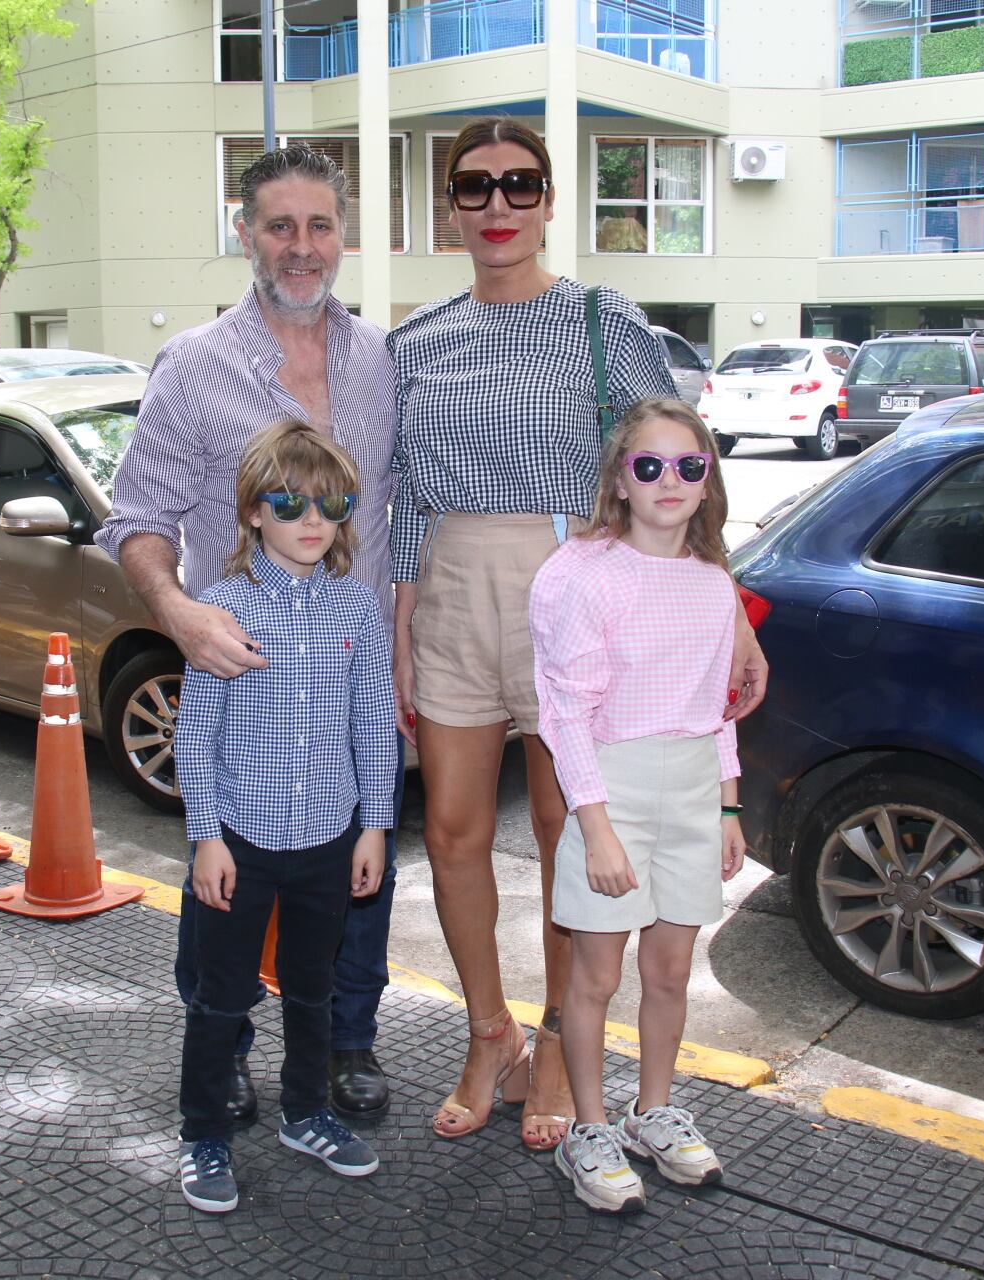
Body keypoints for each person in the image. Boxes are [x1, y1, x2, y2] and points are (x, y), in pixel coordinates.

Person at [389, 117, 765, 1152]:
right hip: (456, 586)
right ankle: (487, 1033)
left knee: (568, 836)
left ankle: (561, 1042)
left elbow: (687, 470)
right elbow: (401, 500)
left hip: (581, 588)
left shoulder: (604, 319)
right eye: (475, 188)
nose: (498, 206)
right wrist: (400, 621)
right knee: (455, 831)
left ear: (551, 200)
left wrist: (728, 609)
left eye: (520, 185)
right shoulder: (414, 343)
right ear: (451, 205)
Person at [98, 145, 400, 1123]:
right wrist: (179, 613)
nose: (302, 247)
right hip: (244, 675)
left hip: (353, 660)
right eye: (281, 226)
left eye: (320, 226)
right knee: (223, 871)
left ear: (342, 235)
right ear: (246, 233)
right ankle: (220, 1039)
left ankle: (345, 1039)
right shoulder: (193, 367)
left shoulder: (382, 361)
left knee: (356, 860)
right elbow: (136, 517)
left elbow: (399, 510)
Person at [170, 421, 398, 1213]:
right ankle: (203, 1132)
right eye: (289, 501)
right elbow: (194, 735)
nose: (312, 518)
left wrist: (374, 826)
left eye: (331, 503)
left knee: (313, 989)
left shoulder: (358, 608)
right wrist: (206, 838)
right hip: (241, 839)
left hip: (330, 840)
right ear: (252, 513)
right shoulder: (222, 607)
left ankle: (307, 1114)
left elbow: (373, 722)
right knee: (222, 994)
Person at [528, 399, 748, 1214]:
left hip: (693, 783)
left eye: (689, 466)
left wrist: (727, 808)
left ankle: (653, 1110)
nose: (670, 481)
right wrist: (596, 828)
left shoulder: (712, 580)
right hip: (609, 784)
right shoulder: (580, 573)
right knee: (596, 973)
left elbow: (715, 704)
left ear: (706, 480)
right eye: (649, 465)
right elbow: (564, 713)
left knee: (670, 969)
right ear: (620, 479)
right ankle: (589, 1128)